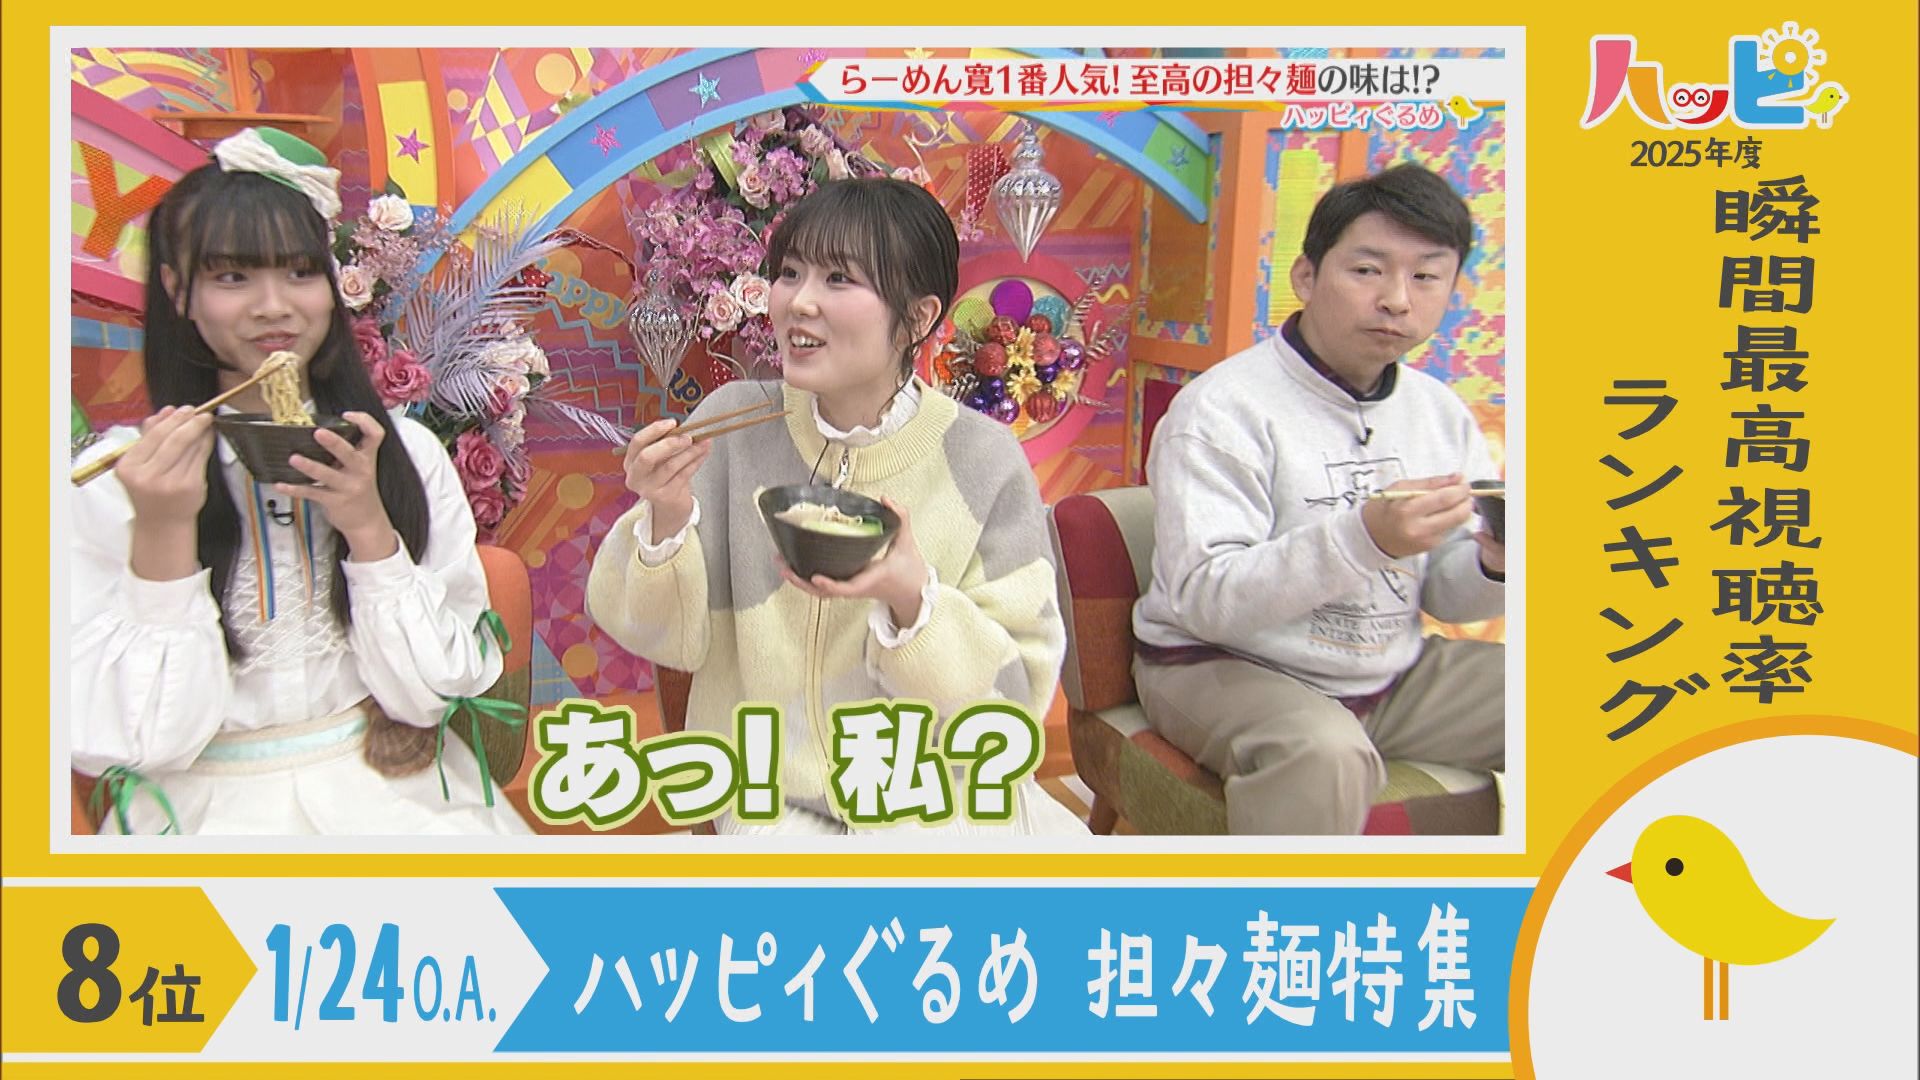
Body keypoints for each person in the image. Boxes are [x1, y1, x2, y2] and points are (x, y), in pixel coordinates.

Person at [589, 178, 1085, 836]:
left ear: (918, 318)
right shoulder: (730, 426)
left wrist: (913, 600)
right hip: (771, 796)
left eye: (839, 279)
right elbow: (663, 636)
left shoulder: (983, 460)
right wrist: (665, 516)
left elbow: (1015, 703)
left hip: (936, 799)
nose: (799, 302)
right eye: (790, 273)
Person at [69, 127, 529, 836]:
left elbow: (434, 695)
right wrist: (163, 530)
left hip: (397, 797)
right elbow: (139, 743)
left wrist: (369, 528)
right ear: (178, 290)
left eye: (299, 273)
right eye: (232, 278)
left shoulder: (403, 451)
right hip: (202, 813)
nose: (273, 306)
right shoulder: (115, 479)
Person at [1131, 164, 1505, 835]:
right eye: (1367, 270)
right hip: (1222, 664)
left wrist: (1495, 562)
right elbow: (1205, 600)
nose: (1396, 299)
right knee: (1323, 754)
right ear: (1305, 277)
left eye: (1426, 276)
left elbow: (1448, 598)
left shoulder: (1439, 413)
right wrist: (1366, 538)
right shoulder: (1220, 409)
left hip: (1390, 674)